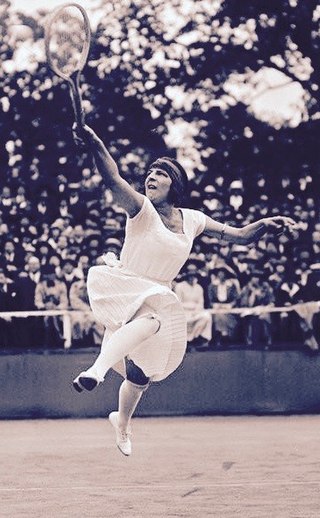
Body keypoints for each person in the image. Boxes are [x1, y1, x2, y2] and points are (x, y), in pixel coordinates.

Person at [72, 123, 296, 457]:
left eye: (159, 172)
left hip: (157, 294)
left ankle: (122, 422)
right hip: (128, 288)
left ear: (174, 183)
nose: (151, 176)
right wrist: (95, 143)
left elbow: (237, 235)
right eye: (149, 172)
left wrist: (265, 225)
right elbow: (113, 179)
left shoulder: (193, 219)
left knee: (139, 375)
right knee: (153, 321)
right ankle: (96, 371)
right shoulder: (141, 210)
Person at [174, 264, 212, 351]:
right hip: (183, 313)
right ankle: (187, 340)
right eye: (190, 276)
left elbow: (201, 304)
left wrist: (196, 310)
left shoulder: (199, 288)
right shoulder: (179, 286)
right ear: (186, 276)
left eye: (193, 276)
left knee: (206, 316)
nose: (191, 278)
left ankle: (196, 338)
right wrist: (192, 306)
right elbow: (178, 304)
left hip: (195, 313)